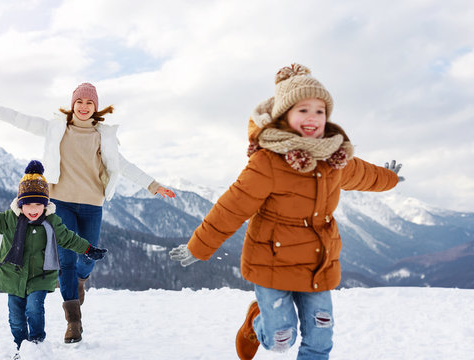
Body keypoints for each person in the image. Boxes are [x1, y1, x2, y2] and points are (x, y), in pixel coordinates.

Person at [169, 64, 404, 359]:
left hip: (318, 264)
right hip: (271, 262)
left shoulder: (334, 158)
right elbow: (231, 208)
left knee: (320, 338)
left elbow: (365, 175)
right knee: (280, 339)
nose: (313, 118)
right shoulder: (268, 162)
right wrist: (198, 247)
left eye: (320, 111)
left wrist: (390, 178)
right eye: (303, 109)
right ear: (284, 116)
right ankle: (256, 322)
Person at [0, 82, 175, 343]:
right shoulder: (56, 129)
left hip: (92, 204)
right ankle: (73, 322)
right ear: (72, 104)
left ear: (96, 108)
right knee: (66, 260)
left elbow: (122, 165)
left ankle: (82, 279)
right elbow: (23, 120)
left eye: (89, 103)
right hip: (61, 201)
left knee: (87, 257)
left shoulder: (103, 136)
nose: (84, 107)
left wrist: (153, 185)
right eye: (80, 102)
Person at [0, 160, 107, 355]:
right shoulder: (9, 219)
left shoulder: (52, 222)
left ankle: (36, 345)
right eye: (28, 204)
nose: (33, 209)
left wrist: (88, 249)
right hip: (13, 276)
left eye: (39, 204)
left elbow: (68, 239)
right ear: (20, 203)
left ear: (46, 204)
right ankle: (21, 348)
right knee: (16, 317)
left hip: (40, 276)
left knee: (35, 308)